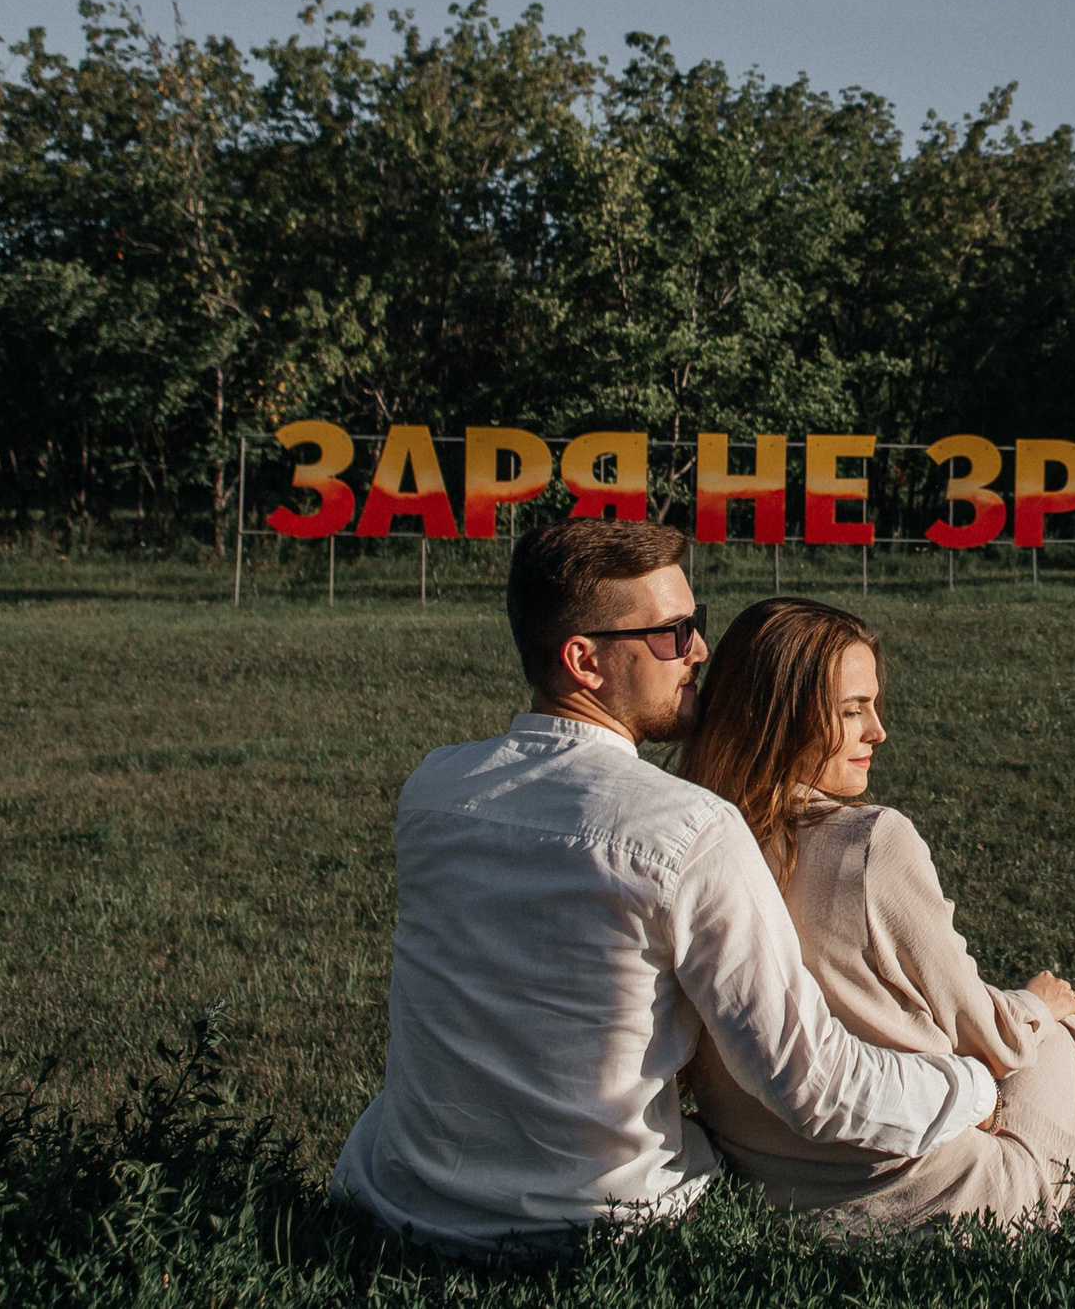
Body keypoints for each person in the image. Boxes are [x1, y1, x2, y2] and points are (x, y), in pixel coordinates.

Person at [331, 522, 999, 1258]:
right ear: (584, 659)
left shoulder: (433, 788)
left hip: (402, 1199)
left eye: (697, 624)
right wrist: (973, 1084)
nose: (699, 651)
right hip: (593, 1225)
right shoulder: (690, 830)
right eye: (672, 634)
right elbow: (815, 1084)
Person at [673, 596, 1075, 1232]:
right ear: (780, 719)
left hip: (768, 1182)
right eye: (851, 710)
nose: (878, 731)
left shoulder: (693, 843)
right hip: (928, 1193)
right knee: (1066, 1041)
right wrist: (1037, 1005)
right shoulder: (870, 844)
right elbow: (984, 1034)